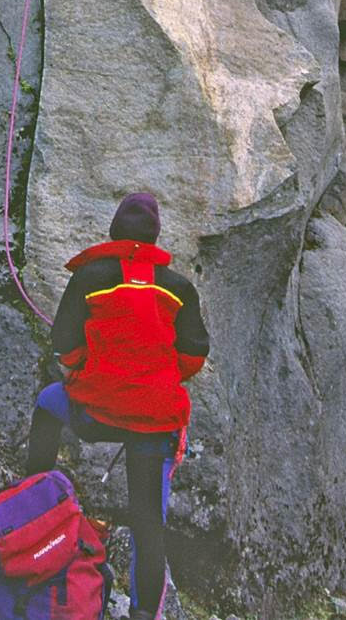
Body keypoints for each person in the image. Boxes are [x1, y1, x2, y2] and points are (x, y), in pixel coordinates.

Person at [25, 192, 209, 620]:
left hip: (97, 413)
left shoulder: (92, 275)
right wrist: (157, 377)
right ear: (155, 234)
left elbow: (65, 342)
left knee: (48, 404)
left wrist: (79, 371)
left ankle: (35, 497)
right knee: (149, 524)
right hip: (155, 420)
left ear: (115, 229)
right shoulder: (178, 288)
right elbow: (195, 354)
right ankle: (144, 614)